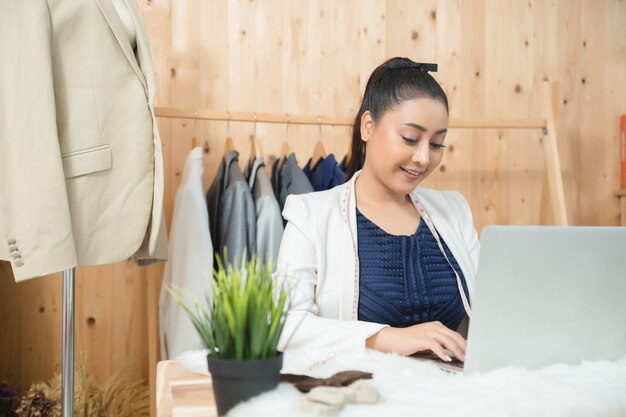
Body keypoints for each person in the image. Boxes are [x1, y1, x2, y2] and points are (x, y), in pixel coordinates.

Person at [274, 57, 480, 364]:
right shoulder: (311, 216)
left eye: (437, 144)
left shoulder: (454, 212)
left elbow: (493, 309)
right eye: (410, 139)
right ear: (368, 126)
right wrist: (389, 338)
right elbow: (285, 328)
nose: (424, 157)